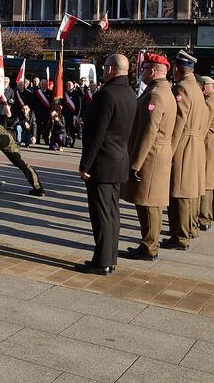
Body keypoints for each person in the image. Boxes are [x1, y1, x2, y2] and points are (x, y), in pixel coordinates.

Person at [77, 54, 136, 275]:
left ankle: (102, 262)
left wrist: (85, 164)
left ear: (111, 69)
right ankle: (110, 259)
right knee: (112, 213)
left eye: (104, 67)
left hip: (101, 163)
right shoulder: (130, 93)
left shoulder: (106, 94)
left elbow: (96, 134)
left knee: (101, 214)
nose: (103, 71)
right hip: (119, 160)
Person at [122, 53, 177, 261]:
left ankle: (149, 247)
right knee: (148, 202)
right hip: (157, 153)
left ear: (153, 71)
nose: (141, 72)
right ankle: (148, 243)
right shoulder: (163, 91)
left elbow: (148, 132)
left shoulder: (155, 95)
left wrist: (136, 163)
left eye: (144, 69)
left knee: (148, 203)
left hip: (151, 155)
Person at [162, 51, 207, 251]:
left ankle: (180, 236)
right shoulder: (196, 88)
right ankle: (188, 230)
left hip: (183, 144)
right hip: (195, 142)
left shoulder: (181, 88)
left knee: (178, 191)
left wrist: (170, 150)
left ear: (178, 70)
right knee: (189, 191)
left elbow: (178, 121)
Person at [197, 76, 214, 231]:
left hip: (208, 144)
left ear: (206, 87)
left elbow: (203, 127)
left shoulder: (209, 104)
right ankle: (206, 216)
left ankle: (204, 217)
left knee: (205, 183)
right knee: (210, 182)